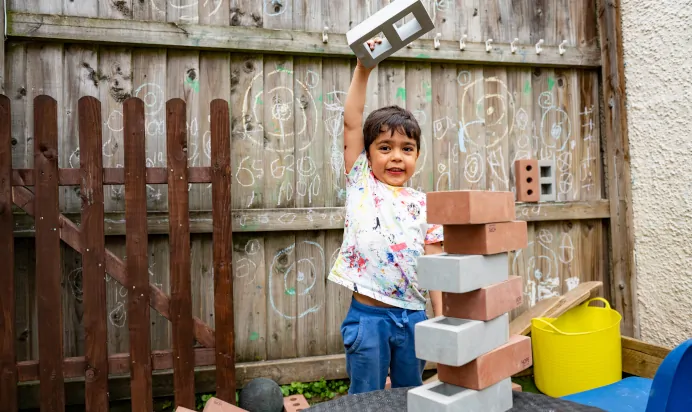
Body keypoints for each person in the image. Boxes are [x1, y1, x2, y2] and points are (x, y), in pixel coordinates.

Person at [327, 38, 444, 395]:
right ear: (368, 154)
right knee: (367, 395)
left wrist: (440, 315)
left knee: (411, 392)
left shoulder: (427, 204)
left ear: (417, 155)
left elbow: (436, 262)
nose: (396, 157)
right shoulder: (362, 181)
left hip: (413, 316)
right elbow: (351, 123)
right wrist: (363, 68)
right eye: (385, 148)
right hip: (369, 317)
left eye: (406, 149)